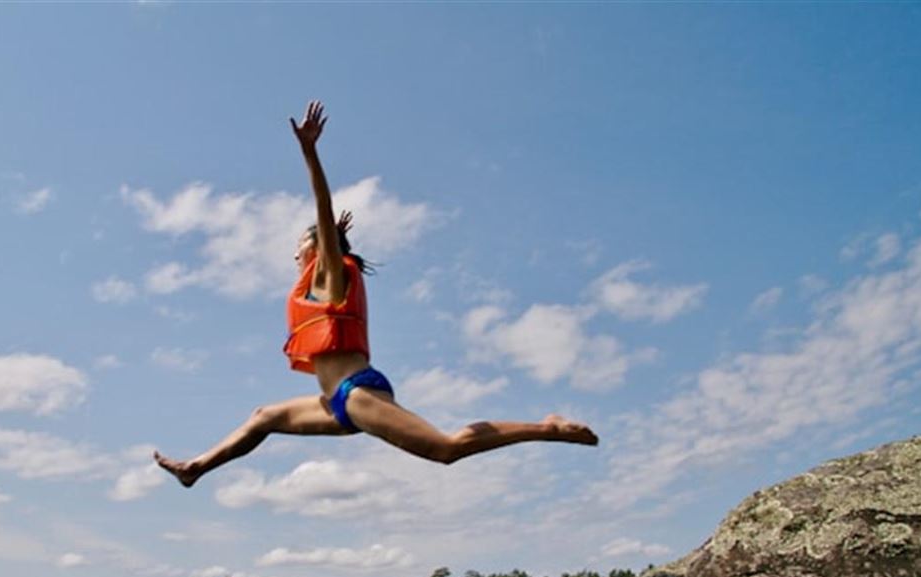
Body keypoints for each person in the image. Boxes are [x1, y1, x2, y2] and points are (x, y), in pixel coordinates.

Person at [155, 101, 597, 488]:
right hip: (333, 403)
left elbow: (322, 212)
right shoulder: (323, 275)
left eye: (300, 245)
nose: (294, 252)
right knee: (263, 417)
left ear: (318, 247)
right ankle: (195, 468)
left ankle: (548, 428)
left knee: (447, 448)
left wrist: (310, 154)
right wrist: (336, 237)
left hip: (356, 393)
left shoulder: (329, 269)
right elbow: (326, 235)